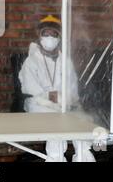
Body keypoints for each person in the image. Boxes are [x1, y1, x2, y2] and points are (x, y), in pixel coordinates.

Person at [18, 15, 96, 162]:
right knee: (56, 123)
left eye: (54, 34)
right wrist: (53, 98)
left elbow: (72, 86)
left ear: (59, 36)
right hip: (39, 105)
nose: (50, 37)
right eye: (46, 33)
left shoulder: (65, 60)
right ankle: (56, 157)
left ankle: (83, 155)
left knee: (81, 120)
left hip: (63, 103)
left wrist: (68, 100)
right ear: (40, 35)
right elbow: (30, 88)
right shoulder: (32, 60)